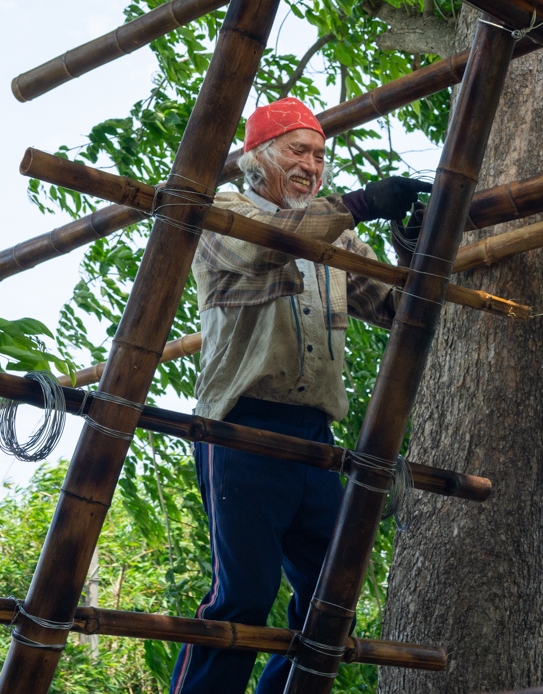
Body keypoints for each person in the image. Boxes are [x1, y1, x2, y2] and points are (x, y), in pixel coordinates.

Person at [170, 97, 431, 694]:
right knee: (243, 596)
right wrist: (361, 204)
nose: (311, 165)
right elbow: (272, 244)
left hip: (314, 436)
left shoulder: (333, 232)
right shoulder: (222, 214)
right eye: (297, 150)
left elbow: (396, 309)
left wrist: (412, 246)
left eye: (319, 155)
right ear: (258, 158)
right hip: (240, 428)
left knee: (330, 603)